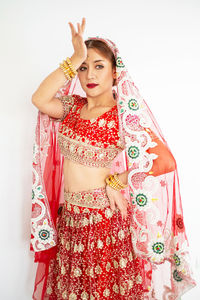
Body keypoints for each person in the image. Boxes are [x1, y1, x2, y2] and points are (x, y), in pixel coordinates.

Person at [31, 18, 196, 299]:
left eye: (98, 66)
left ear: (115, 72)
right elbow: (40, 98)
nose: (89, 75)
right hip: (70, 219)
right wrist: (73, 59)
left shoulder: (124, 117)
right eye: (83, 68)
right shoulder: (72, 107)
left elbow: (164, 161)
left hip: (105, 222)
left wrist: (118, 180)